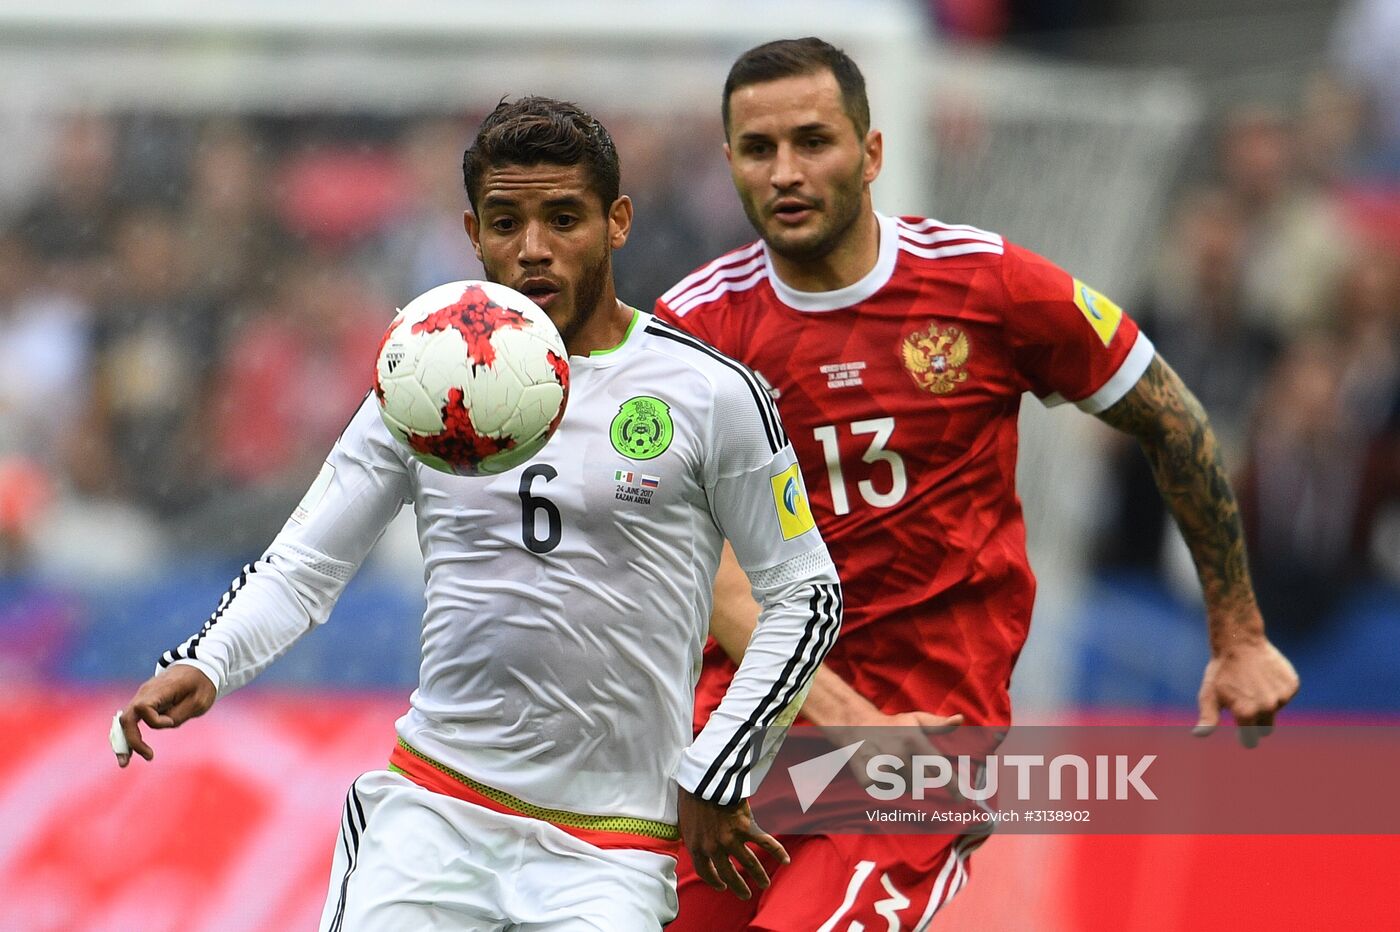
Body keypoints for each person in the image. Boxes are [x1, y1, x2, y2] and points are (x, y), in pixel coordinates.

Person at [115, 96, 842, 930]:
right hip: (434, 815)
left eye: (563, 218)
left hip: (610, 849)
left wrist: (721, 768)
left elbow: (804, 594)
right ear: (473, 234)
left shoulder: (711, 393)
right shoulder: (424, 372)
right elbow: (307, 564)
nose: (533, 249)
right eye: (506, 222)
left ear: (619, 223)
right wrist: (209, 661)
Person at [654, 38, 1300, 929]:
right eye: (760, 151)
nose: (787, 172)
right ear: (729, 164)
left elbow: (1170, 415)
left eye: (814, 141)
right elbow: (708, 569)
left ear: (873, 153)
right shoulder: (694, 331)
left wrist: (1238, 632)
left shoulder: (983, 285)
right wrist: (845, 723)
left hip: (923, 737)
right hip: (751, 733)